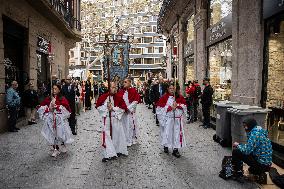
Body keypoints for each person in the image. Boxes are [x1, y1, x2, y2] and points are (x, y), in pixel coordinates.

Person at [37, 84, 74, 157]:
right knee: (52, 134)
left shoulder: (62, 98)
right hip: (51, 119)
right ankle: (55, 149)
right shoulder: (49, 98)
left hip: (60, 120)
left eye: (56, 89)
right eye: (53, 89)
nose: (54, 90)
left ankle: (63, 144)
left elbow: (66, 108)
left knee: (61, 134)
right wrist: (48, 109)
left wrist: (58, 107)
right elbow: (42, 106)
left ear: (59, 90)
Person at [232, 118, 272, 183]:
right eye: (244, 126)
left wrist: (238, 145)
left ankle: (238, 174)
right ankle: (259, 174)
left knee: (236, 151)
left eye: (246, 126)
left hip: (261, 165)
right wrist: (241, 145)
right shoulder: (260, 131)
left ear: (251, 125)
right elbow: (250, 148)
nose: (245, 128)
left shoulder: (254, 135)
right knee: (251, 170)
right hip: (267, 164)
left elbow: (247, 151)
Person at [96, 82, 128, 162]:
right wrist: (106, 107)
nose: (115, 89)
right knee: (107, 136)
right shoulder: (103, 97)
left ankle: (117, 150)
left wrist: (113, 108)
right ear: (109, 88)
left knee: (116, 135)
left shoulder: (119, 97)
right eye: (113, 87)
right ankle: (109, 154)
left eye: (116, 87)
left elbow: (123, 109)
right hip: (107, 119)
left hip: (116, 119)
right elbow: (98, 108)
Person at [156, 83, 187, 158]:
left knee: (176, 134)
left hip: (176, 120)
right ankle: (166, 146)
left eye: (173, 88)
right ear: (167, 89)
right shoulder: (164, 97)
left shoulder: (179, 97)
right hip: (168, 120)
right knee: (167, 133)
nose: (172, 90)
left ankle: (175, 150)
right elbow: (159, 109)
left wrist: (178, 105)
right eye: (170, 88)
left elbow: (184, 106)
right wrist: (170, 108)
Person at [119, 78, 141, 146]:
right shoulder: (121, 91)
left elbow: (135, 101)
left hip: (130, 112)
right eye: (123, 82)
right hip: (124, 112)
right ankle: (125, 139)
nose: (124, 83)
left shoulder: (133, 91)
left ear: (129, 83)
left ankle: (131, 139)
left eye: (125, 82)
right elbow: (119, 101)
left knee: (131, 126)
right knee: (124, 126)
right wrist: (122, 109)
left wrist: (128, 109)